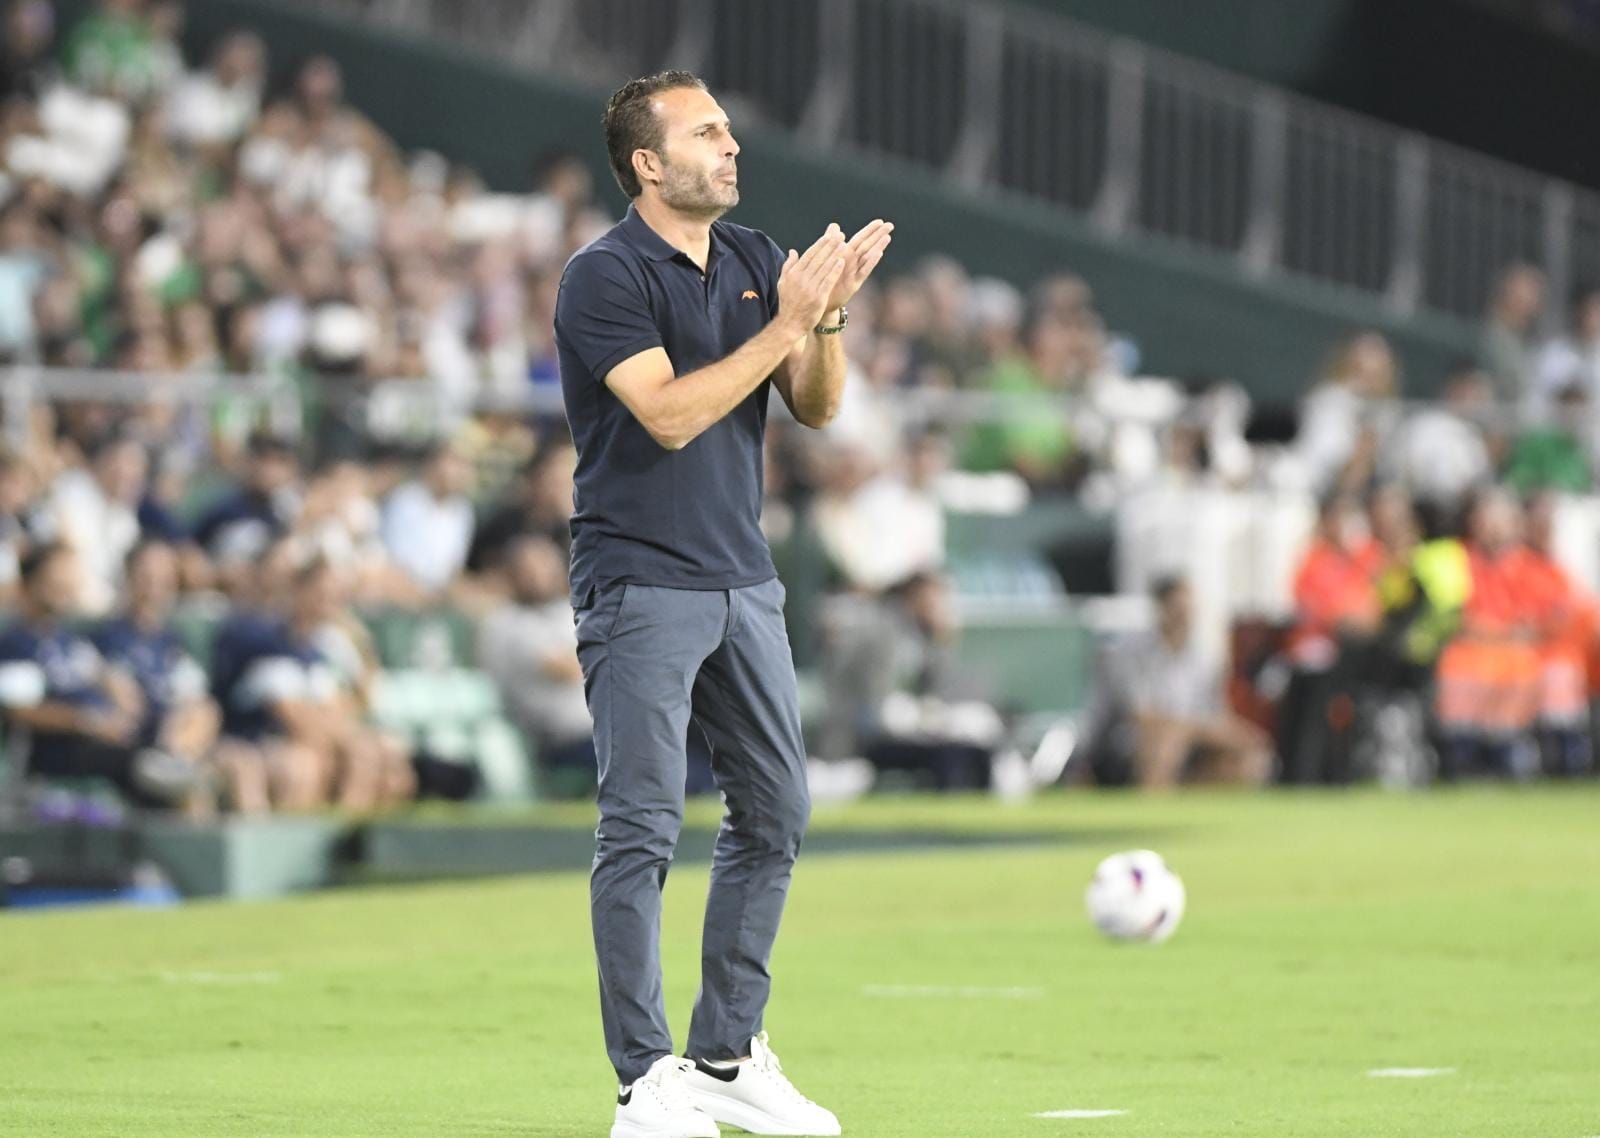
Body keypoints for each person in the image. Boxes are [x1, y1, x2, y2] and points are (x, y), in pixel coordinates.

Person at [556, 69, 891, 1138]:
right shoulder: (602, 275)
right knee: (642, 826)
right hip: (640, 577)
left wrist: (824, 319)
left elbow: (818, 408)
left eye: (729, 130)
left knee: (777, 813)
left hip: (742, 578)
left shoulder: (752, 258)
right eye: (706, 133)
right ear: (649, 164)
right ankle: (642, 1082)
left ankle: (724, 1054)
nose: (731, 145)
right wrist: (783, 324)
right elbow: (664, 415)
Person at [0, 542, 199, 808]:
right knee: (150, 773)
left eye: (68, 578)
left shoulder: (70, 641)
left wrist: (115, 691)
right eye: (55, 578)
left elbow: (111, 684)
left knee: (170, 767)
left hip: (109, 741)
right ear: (31, 582)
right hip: (59, 750)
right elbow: (20, 711)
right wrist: (86, 721)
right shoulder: (17, 641)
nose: (65, 586)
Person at [1095, 577, 1271, 789]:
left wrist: (1237, 735)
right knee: (1168, 741)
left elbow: (1215, 712)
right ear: (1161, 610)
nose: (1185, 617)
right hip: (1136, 741)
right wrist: (1187, 728)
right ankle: (1152, 806)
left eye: (1189, 609)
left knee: (1250, 751)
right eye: (1178, 609)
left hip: (1194, 733)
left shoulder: (1204, 657)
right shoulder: (1132, 653)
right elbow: (1140, 715)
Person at [92, 539, 221, 812]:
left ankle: (173, 759)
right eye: (146, 574)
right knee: (191, 792)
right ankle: (172, 763)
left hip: (173, 739)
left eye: (164, 575)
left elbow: (193, 698)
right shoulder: (110, 636)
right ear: (129, 576)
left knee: (208, 715)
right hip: (133, 747)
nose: (155, 584)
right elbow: (123, 700)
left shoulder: (172, 640)